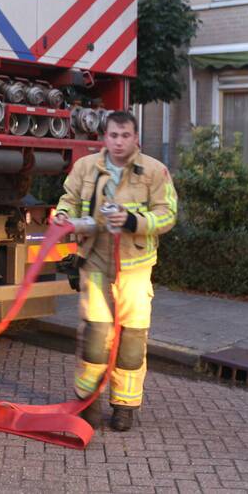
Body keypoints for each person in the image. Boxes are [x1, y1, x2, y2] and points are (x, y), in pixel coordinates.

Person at [53, 110, 177, 431]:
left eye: (125, 136)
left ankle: (125, 405)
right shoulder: (86, 167)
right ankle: (88, 401)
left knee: (132, 340)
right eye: (113, 136)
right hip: (94, 263)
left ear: (136, 138)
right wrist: (63, 216)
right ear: (104, 138)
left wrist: (134, 221)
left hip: (134, 270)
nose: (119, 142)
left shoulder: (154, 171)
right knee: (95, 337)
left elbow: (167, 215)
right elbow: (67, 198)